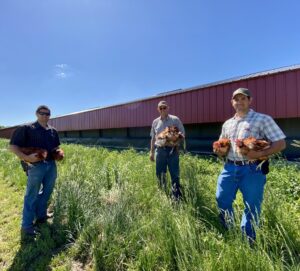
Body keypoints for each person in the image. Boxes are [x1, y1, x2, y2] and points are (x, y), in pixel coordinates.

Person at [214, 88, 286, 243]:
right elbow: (222, 143)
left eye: (243, 98)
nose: (239, 102)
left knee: (252, 205)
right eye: (236, 99)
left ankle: (249, 239)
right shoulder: (227, 123)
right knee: (221, 198)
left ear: (250, 100)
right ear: (232, 102)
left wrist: (258, 154)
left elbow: (280, 143)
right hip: (229, 167)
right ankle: (228, 231)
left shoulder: (262, 119)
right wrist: (220, 150)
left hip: (252, 168)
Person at [9, 105, 61, 236]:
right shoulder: (27, 129)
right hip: (36, 166)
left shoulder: (53, 131)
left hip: (51, 165)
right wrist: (26, 158)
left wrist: (59, 153)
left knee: (47, 191)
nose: (45, 115)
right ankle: (26, 226)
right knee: (32, 194)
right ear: (36, 114)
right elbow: (13, 146)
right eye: (42, 113)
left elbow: (56, 147)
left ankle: (41, 215)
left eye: (47, 113)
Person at [150, 101, 185, 199]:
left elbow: (182, 134)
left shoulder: (175, 119)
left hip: (173, 151)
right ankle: (163, 195)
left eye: (164, 107)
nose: (162, 110)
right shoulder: (155, 122)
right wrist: (151, 152)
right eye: (160, 108)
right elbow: (153, 138)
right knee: (160, 173)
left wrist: (175, 140)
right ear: (158, 109)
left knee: (175, 173)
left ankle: (176, 196)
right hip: (160, 151)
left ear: (168, 108)